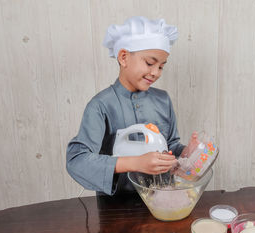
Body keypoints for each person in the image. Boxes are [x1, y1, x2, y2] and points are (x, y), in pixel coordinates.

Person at [66, 16, 197, 195]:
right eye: (150, 63)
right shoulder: (100, 106)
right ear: (124, 57)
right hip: (115, 206)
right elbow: (77, 160)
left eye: (161, 67)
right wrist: (135, 163)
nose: (155, 72)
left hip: (162, 197)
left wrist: (186, 153)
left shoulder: (163, 100)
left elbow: (170, 146)